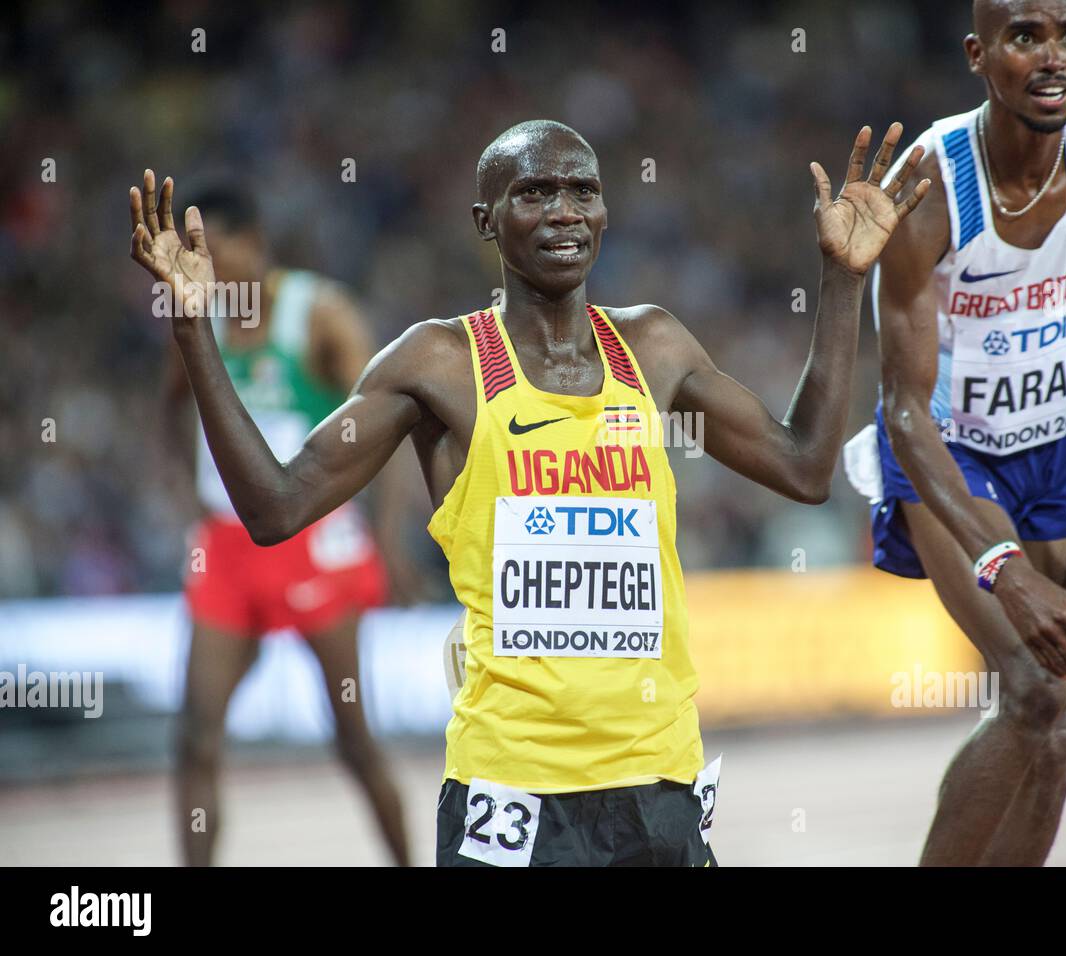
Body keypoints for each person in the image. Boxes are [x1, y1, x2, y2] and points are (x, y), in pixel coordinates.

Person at [130, 117, 928, 866]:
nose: (564, 212)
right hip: (507, 790)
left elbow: (804, 466)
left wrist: (842, 281)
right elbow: (274, 508)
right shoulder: (436, 364)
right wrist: (196, 328)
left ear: (607, 212)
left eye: (583, 191)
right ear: (487, 220)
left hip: (657, 778)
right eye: (534, 193)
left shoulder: (652, 346)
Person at [848, 0, 1066, 865]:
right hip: (950, 450)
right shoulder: (929, 181)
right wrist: (1005, 569)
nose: (1053, 56)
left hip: (1061, 442)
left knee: (1059, 714)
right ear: (979, 54)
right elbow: (905, 412)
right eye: (1026, 37)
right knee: (1031, 691)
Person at [153, 181, 415, 866]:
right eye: (190, 251)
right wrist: (192, 500)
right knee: (195, 739)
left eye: (211, 248)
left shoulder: (321, 313)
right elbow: (168, 411)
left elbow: (386, 422)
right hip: (228, 549)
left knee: (352, 738)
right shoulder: (198, 317)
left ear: (253, 242)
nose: (200, 264)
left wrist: (387, 536)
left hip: (315, 543)